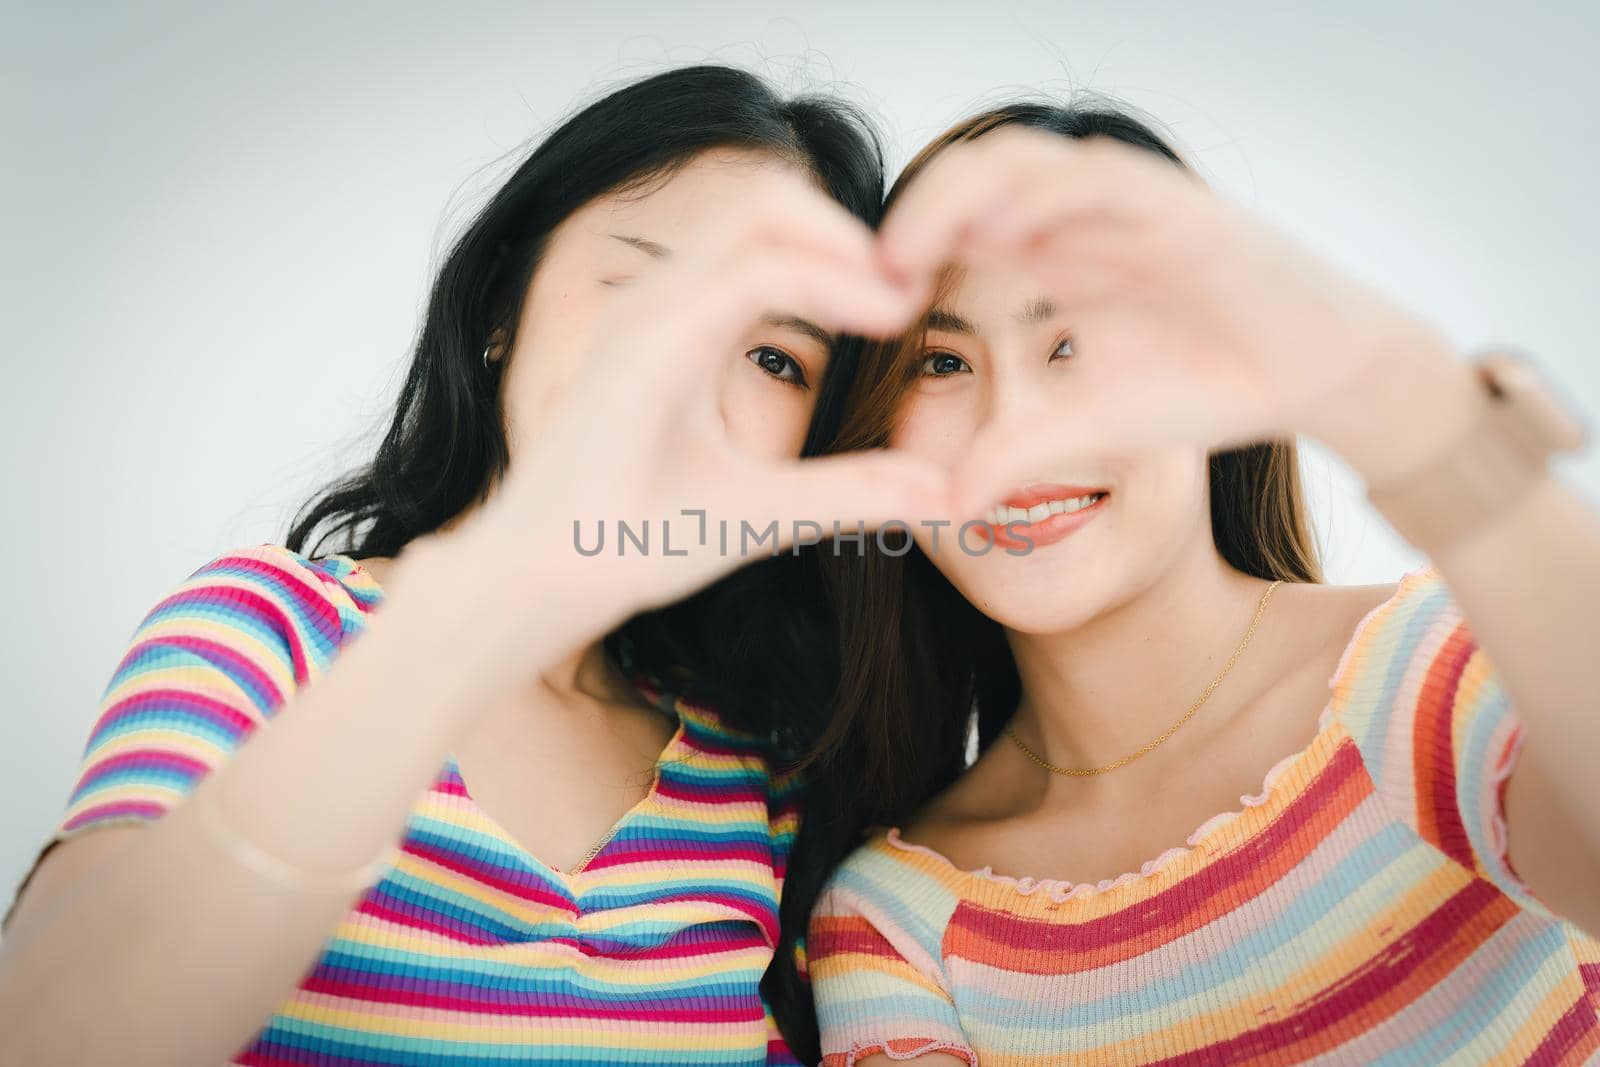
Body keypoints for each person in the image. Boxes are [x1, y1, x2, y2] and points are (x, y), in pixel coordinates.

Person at [0, 64, 945, 1066]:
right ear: (502, 303)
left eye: (775, 358)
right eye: (652, 290)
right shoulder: (264, 631)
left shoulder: (759, 772)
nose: (687, 373)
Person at [805, 102, 1600, 1064]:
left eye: (1072, 342)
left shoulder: (1433, 678)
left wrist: (1402, 394)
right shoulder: (897, 921)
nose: (1012, 427)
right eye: (940, 361)